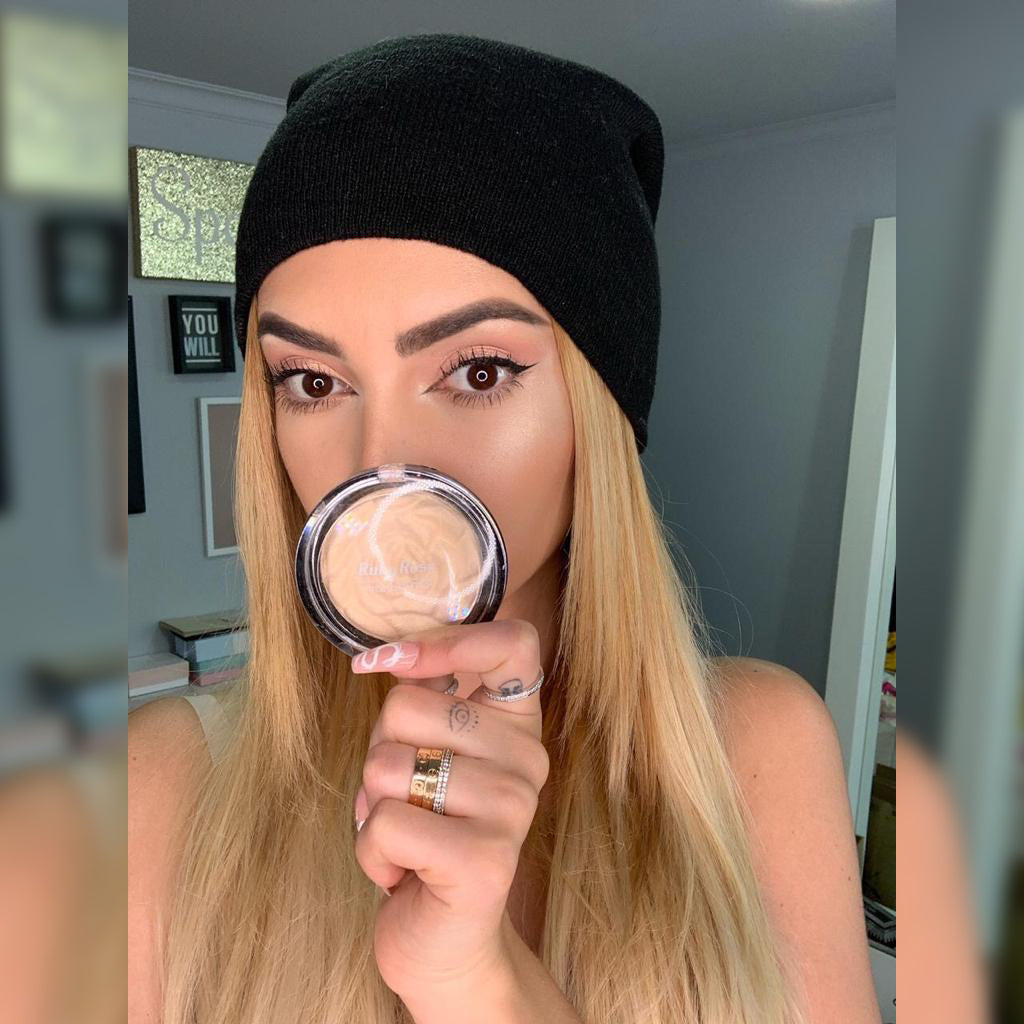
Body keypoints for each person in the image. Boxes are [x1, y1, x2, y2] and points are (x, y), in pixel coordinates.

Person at [129, 34, 879, 1023]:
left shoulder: (761, 749)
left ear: (598, 411)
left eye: (477, 371)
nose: (382, 467)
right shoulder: (158, 785)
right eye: (312, 381)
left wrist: (474, 984)